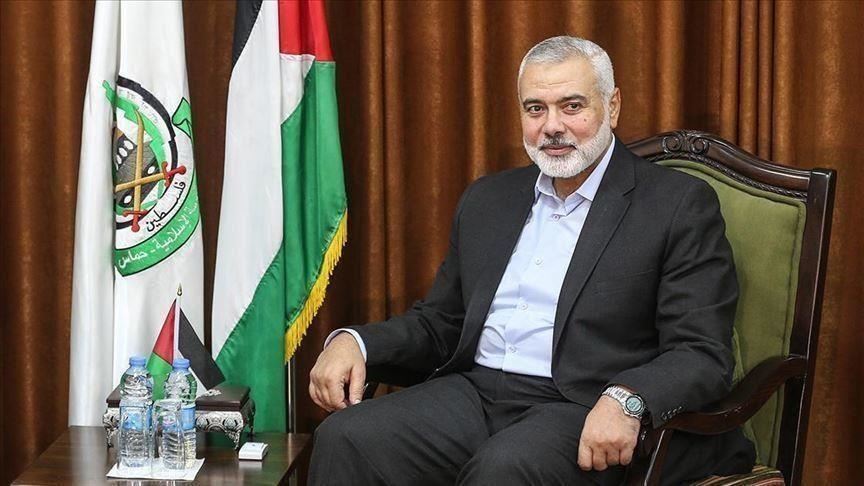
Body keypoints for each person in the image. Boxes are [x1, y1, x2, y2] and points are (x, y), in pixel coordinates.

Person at [308, 36, 755, 485]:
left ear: (612, 106)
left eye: (572, 106)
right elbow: (442, 322)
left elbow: (701, 351)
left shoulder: (676, 205)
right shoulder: (489, 199)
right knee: (346, 437)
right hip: (477, 393)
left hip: (584, 404)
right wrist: (355, 343)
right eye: (535, 109)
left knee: (505, 468)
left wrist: (628, 399)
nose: (552, 126)